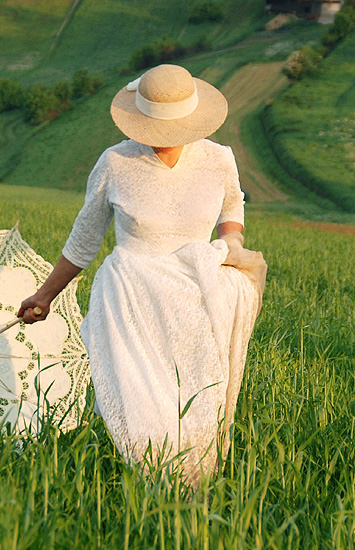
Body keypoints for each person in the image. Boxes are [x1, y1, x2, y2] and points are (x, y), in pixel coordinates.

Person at [17, 63, 266, 488]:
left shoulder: (219, 158)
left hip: (195, 294)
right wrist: (45, 295)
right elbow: (84, 240)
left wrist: (233, 242)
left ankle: (189, 494)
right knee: (140, 408)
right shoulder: (115, 162)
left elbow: (232, 206)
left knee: (196, 401)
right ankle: (143, 488)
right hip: (129, 298)